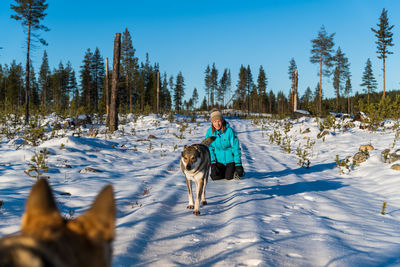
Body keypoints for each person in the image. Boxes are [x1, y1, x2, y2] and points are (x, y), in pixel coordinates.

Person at [205, 108, 244, 180]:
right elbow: (209, 148)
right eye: (214, 121)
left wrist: (238, 164)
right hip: (219, 161)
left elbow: (236, 147)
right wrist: (212, 163)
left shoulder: (229, 131)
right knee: (215, 176)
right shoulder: (209, 132)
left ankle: (235, 170)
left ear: (222, 120)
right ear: (212, 122)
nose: (217, 124)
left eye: (219, 121)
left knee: (228, 177)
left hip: (230, 160)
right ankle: (225, 171)